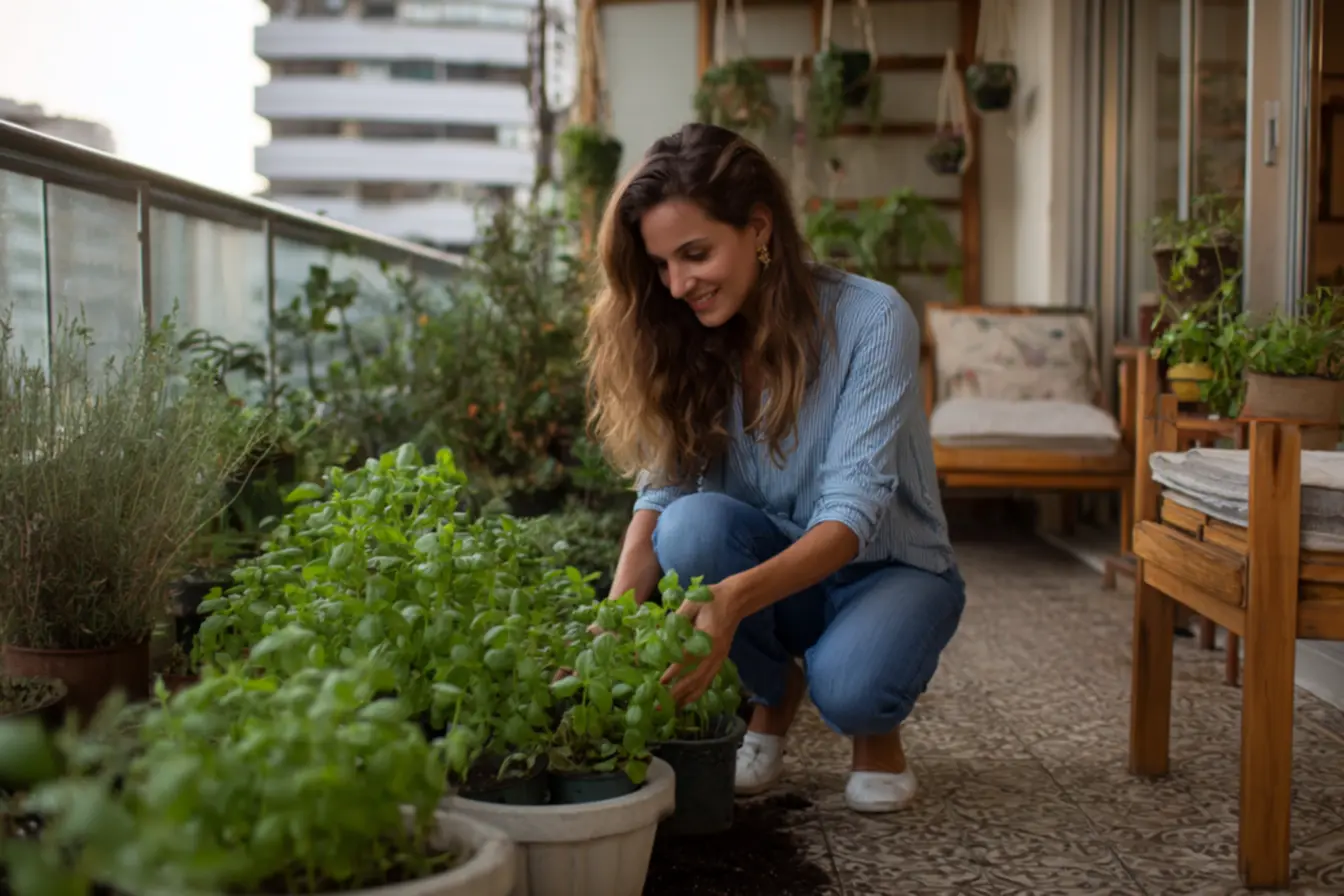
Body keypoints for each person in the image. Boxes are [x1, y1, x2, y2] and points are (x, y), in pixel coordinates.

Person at [583, 122, 965, 814]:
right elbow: (664, 487)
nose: (676, 285)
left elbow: (851, 517)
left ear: (759, 229)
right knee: (688, 525)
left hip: (888, 567)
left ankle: (872, 728)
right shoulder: (693, 336)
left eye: (695, 254)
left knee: (851, 687)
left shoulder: (872, 320)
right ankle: (773, 695)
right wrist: (609, 622)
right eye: (662, 264)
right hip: (779, 566)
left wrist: (728, 604)